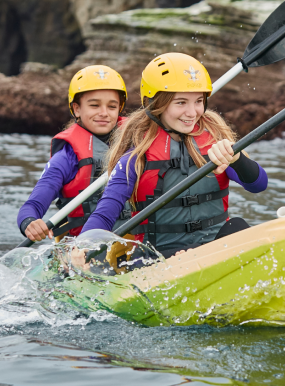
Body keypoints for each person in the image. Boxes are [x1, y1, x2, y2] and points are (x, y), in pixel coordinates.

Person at [78, 52, 268, 259]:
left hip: (213, 249)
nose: (192, 112)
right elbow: (105, 213)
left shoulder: (215, 142)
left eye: (198, 101)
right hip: (161, 256)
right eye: (180, 103)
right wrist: (82, 248)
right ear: (155, 104)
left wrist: (237, 158)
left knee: (239, 226)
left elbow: (258, 185)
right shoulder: (136, 158)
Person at [17, 65, 129, 242]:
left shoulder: (137, 140)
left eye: (112, 106)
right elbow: (32, 205)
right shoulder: (67, 157)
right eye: (94, 105)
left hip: (132, 241)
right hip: (83, 248)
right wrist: (30, 222)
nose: (104, 113)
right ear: (77, 109)